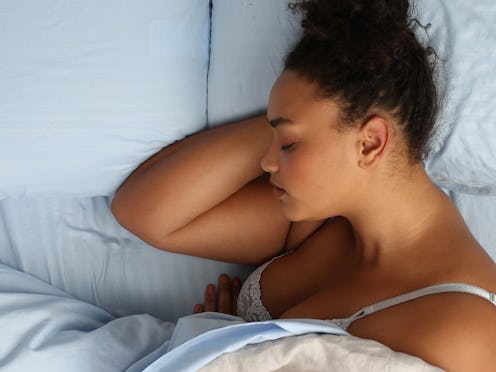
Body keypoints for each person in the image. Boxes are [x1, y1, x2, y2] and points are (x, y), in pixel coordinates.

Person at [111, 0, 496, 370]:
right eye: (274, 139)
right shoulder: (324, 218)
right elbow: (143, 212)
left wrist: (236, 348)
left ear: (370, 142)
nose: (267, 162)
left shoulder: (464, 332)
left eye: (289, 144)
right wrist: (231, 343)